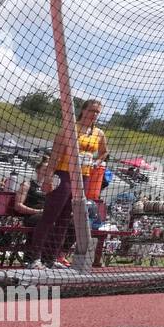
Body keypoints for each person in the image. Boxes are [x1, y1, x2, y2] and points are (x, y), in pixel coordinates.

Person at [28, 99, 108, 269]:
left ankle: (51, 259)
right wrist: (48, 178)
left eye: (97, 112)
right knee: (50, 216)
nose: (94, 114)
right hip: (64, 174)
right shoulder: (69, 128)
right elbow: (55, 154)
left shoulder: (99, 133)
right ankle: (34, 258)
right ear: (83, 110)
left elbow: (104, 152)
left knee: (65, 219)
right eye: (92, 110)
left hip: (83, 177)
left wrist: (96, 162)